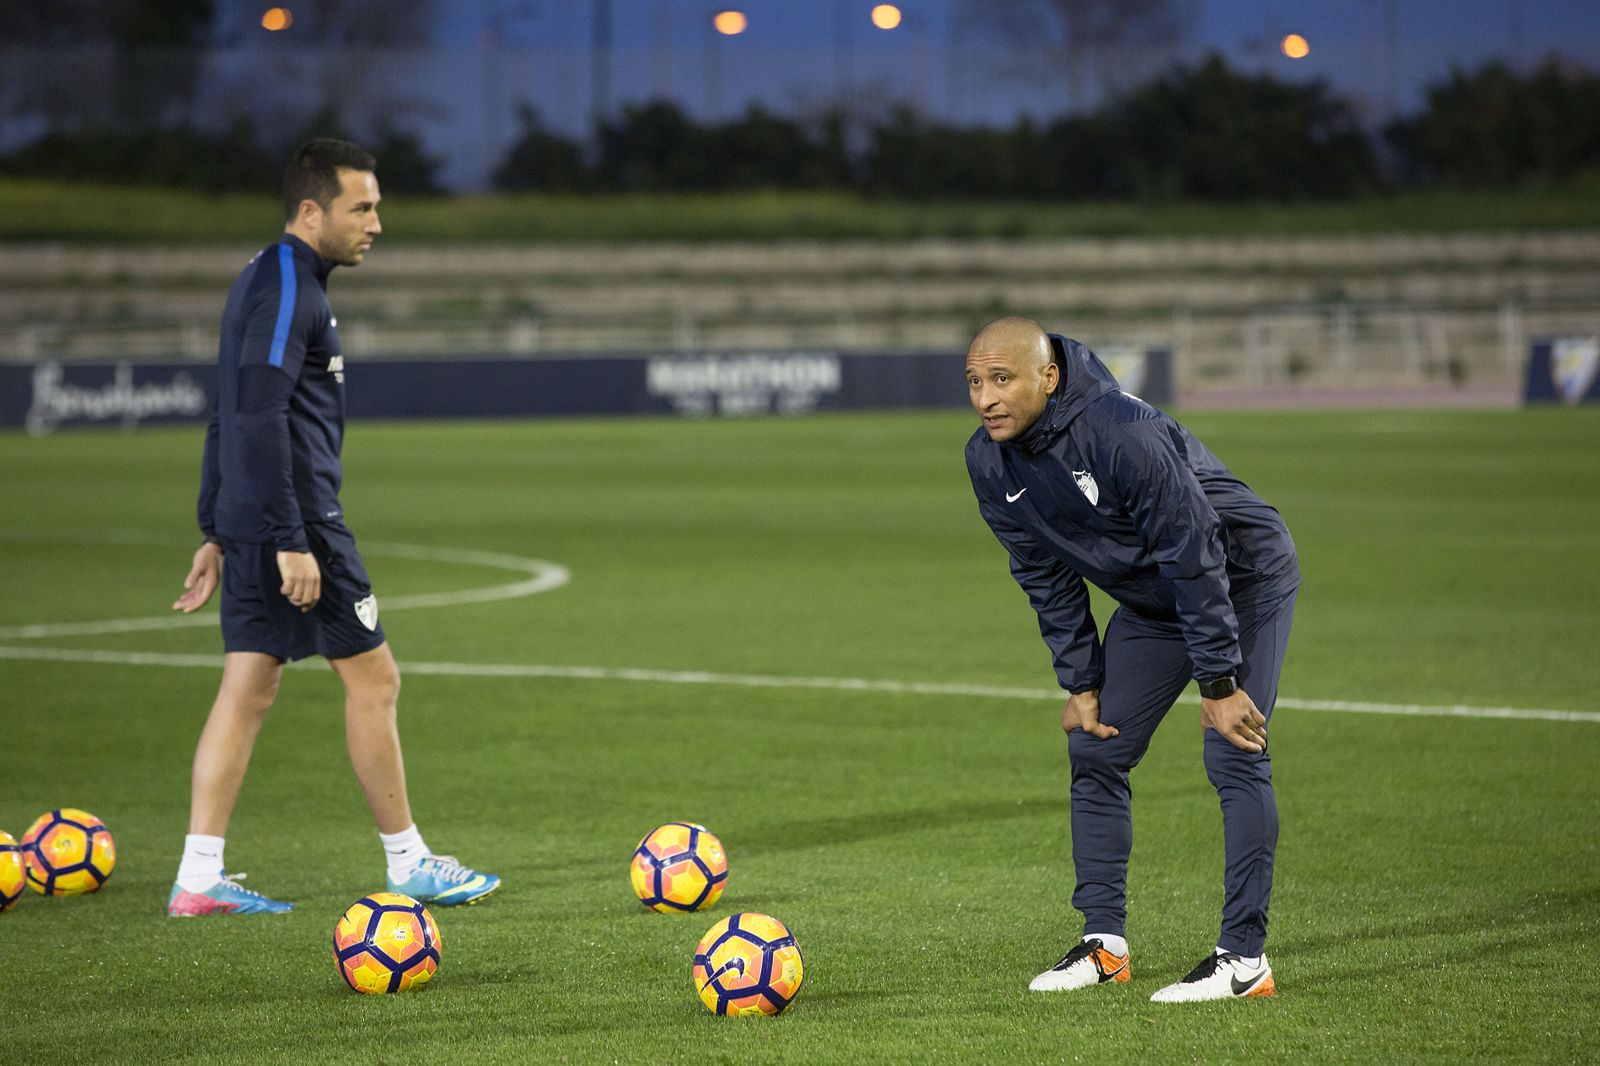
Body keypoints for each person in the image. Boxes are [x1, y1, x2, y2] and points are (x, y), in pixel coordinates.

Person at [166, 138, 499, 916]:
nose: (375, 223)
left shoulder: (265, 277)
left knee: (248, 686)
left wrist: (218, 526)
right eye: (362, 207)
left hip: (257, 521)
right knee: (375, 680)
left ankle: (198, 877)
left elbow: (229, 410)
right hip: (301, 524)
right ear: (311, 210)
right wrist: (288, 536)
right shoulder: (289, 287)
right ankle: (410, 860)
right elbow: (256, 411)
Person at [964, 317, 1299, 1002]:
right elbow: (1043, 573)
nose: (987, 398)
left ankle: (1244, 960)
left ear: (1047, 376)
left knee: (1232, 749)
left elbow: (1193, 547)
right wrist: (1082, 679)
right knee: (1096, 747)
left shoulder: (1122, 430)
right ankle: (1104, 944)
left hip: (1238, 576)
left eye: (1003, 379)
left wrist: (1220, 681)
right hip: (1155, 601)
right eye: (974, 382)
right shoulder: (987, 462)